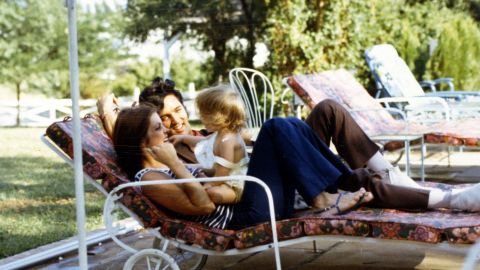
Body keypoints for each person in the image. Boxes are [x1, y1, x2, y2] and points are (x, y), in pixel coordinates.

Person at [100, 78, 480, 215]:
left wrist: (245, 139)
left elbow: (238, 144)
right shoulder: (160, 163)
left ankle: (374, 174)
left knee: (327, 111)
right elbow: (204, 199)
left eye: (178, 112)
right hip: (257, 197)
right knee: (279, 126)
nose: (174, 124)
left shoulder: (199, 136)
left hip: (265, 180)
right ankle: (436, 199)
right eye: (162, 123)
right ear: (146, 136)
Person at [113, 105, 372, 229]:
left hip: (251, 199)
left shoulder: (162, 167)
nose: (166, 129)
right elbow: (204, 206)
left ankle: (338, 183)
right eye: (159, 127)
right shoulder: (150, 179)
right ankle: (332, 189)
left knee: (287, 124)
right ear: (141, 143)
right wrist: (175, 163)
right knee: (274, 128)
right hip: (246, 216)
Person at [169, 86, 249, 204]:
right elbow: (204, 141)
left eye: (205, 115)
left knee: (212, 193)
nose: (201, 118)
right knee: (195, 168)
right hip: (221, 175)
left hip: (235, 184)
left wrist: (209, 183)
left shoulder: (228, 141)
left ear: (220, 117)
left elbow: (223, 172)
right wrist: (183, 138)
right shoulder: (220, 134)